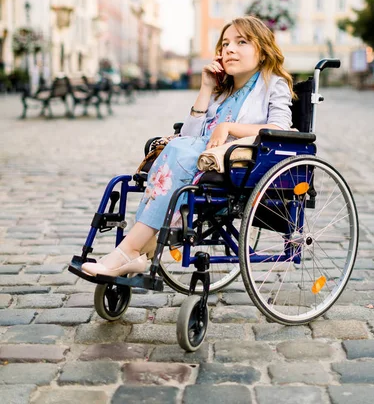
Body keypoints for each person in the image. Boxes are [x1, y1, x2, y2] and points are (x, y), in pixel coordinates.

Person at [82, 16, 294, 278]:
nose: (229, 49)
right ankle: (135, 254)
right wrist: (206, 88)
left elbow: (281, 130)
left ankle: (130, 250)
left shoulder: (273, 84)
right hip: (200, 158)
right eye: (225, 43)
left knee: (180, 153)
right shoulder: (222, 91)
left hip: (239, 164)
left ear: (262, 51)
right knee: (178, 149)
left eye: (241, 42)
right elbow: (190, 135)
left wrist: (228, 128)